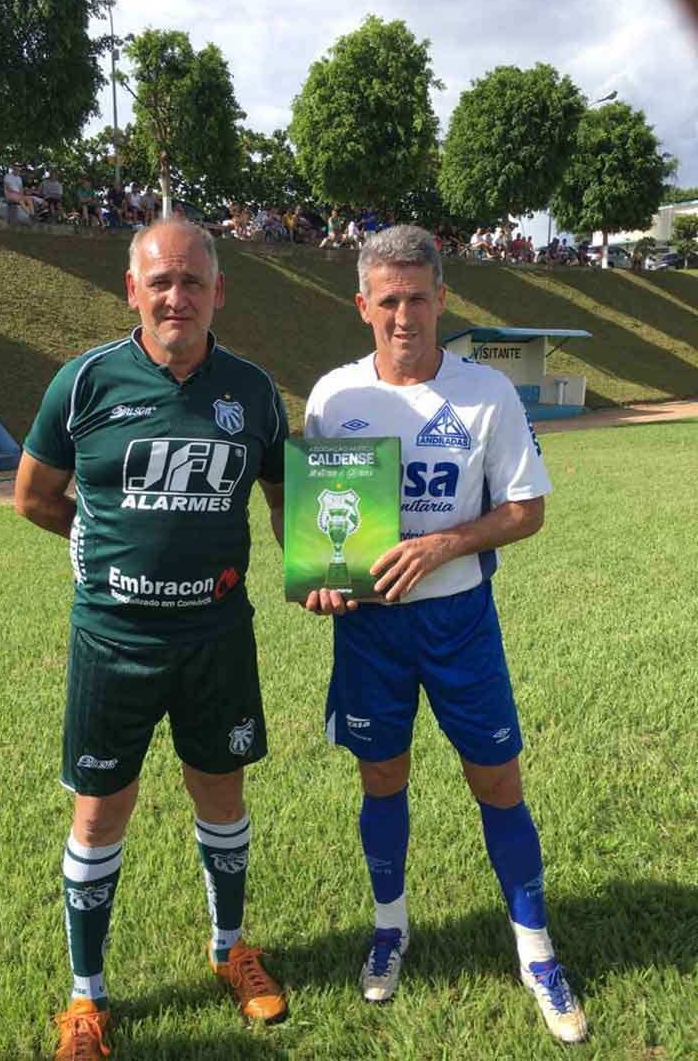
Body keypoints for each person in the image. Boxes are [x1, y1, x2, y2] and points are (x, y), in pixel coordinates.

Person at [302, 225, 587, 1046]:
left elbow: (526, 509)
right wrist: (323, 578)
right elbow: (325, 527)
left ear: (442, 299)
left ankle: (535, 949)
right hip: (370, 630)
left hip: (459, 621)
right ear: (363, 304)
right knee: (381, 777)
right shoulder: (332, 398)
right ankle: (390, 926)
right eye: (388, 300)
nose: (404, 316)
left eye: (418, 298)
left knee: (497, 780)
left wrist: (443, 544)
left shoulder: (486, 393)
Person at [15, 218, 289, 1060]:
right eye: (160, 281)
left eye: (192, 280)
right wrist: (94, 543)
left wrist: (326, 568)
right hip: (114, 642)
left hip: (218, 636)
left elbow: (286, 495)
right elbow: (33, 494)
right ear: (132, 289)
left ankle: (230, 948)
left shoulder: (253, 390)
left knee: (222, 798)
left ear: (217, 290)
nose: (177, 296)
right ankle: (86, 997)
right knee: (99, 813)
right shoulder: (83, 382)